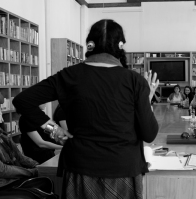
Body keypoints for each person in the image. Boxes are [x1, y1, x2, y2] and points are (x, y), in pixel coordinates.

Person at [12, 19, 159, 199]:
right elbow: (149, 134)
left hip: (80, 167)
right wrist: (147, 100)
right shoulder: (135, 81)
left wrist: (54, 130)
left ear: (90, 44)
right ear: (121, 46)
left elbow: (22, 101)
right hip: (123, 168)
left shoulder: (69, 75)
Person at [0, 128, 39, 197]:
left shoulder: (3, 136)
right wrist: (32, 172)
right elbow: (3, 170)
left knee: (47, 180)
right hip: (4, 184)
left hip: (14, 178)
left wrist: (37, 165)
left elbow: (20, 157)